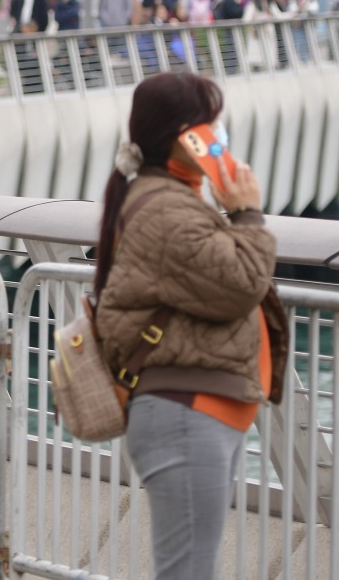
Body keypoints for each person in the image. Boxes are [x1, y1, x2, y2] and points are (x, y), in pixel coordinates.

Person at [94, 72, 286, 580]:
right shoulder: (166, 209)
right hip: (185, 413)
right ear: (185, 135)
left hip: (197, 412)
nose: (219, 136)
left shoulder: (170, 199)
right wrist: (246, 213)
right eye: (209, 124)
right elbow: (241, 282)